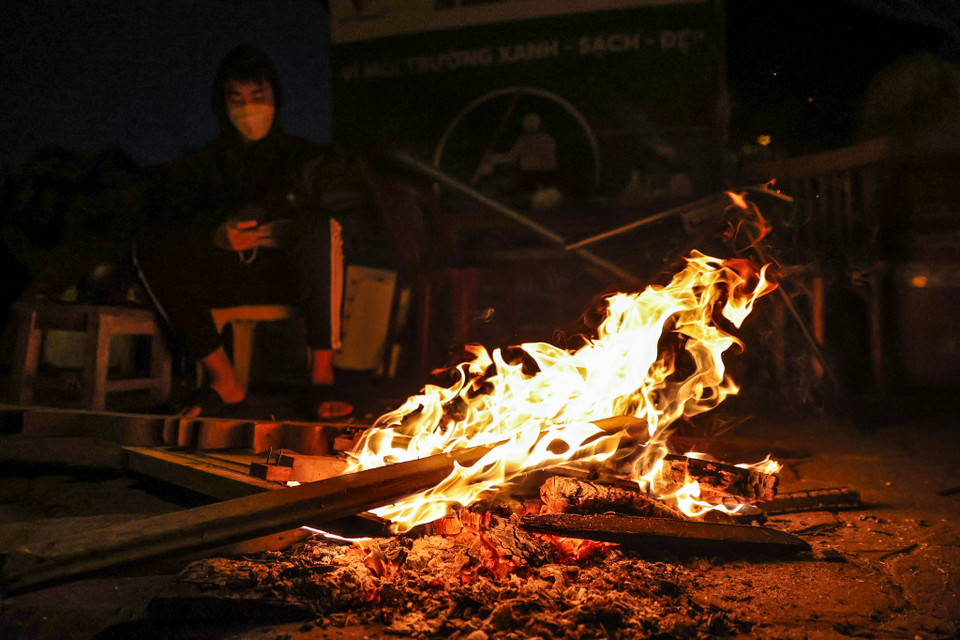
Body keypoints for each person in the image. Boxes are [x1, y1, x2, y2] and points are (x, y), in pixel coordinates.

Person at [136, 44, 379, 419]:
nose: (248, 108)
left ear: (274, 97)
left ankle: (321, 377)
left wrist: (286, 227)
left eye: (257, 95)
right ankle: (224, 381)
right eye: (237, 98)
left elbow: (350, 214)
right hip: (227, 276)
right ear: (223, 105)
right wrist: (216, 235)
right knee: (153, 245)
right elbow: (177, 215)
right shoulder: (205, 165)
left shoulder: (307, 157)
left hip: (292, 279)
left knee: (319, 229)